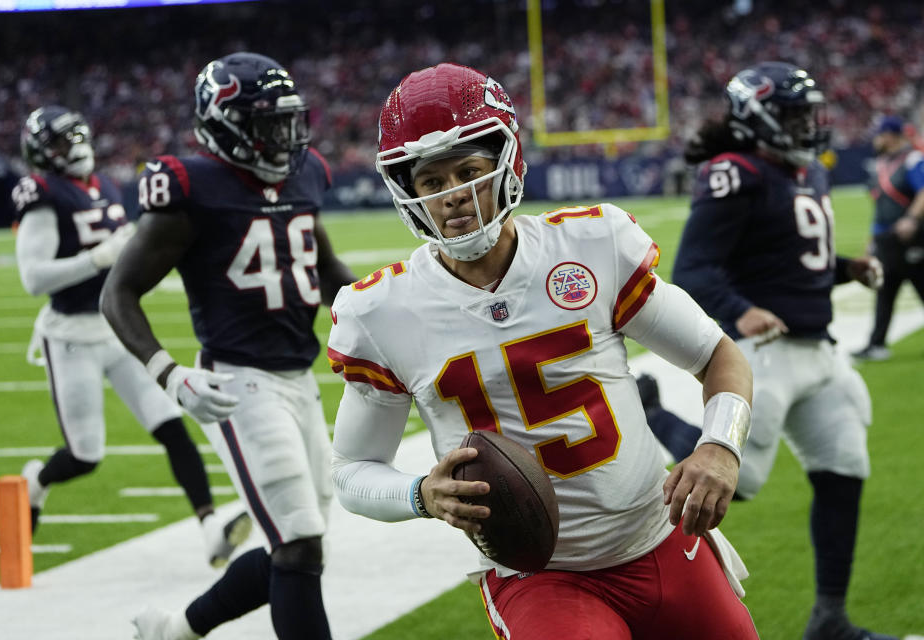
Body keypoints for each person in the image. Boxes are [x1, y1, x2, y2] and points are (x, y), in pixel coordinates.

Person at [326, 62, 758, 640]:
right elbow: (353, 470)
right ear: (409, 192)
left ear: (506, 163)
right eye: (432, 182)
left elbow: (716, 355)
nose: (454, 196)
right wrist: (419, 494)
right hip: (538, 575)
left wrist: (719, 448)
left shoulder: (591, 244)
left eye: (469, 171)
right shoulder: (381, 312)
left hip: (658, 536)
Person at [101, 53, 355, 640]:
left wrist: (392, 313)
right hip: (237, 384)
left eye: (290, 121)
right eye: (268, 124)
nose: (285, 138)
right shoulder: (192, 187)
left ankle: (175, 630)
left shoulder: (305, 172)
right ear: (225, 124)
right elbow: (119, 293)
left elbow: (323, 270)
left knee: (298, 544)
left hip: (299, 380)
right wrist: (168, 373)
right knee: (298, 544)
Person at [673, 62, 899, 640]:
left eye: (809, 112)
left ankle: (830, 619)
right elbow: (692, 269)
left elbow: (798, 265)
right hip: (765, 353)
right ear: (759, 115)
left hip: (819, 353)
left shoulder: (805, 172)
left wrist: (848, 269)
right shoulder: (734, 172)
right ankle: (654, 415)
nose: (808, 124)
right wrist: (740, 308)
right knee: (736, 483)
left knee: (847, 465)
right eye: (797, 113)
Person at [12, 105, 251, 569]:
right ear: (43, 152)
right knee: (85, 456)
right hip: (70, 335)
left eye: (79, 137)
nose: (77, 149)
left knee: (172, 425)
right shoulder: (43, 193)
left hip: (115, 327)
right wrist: (99, 259)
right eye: (64, 142)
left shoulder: (104, 186)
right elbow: (33, 278)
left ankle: (209, 530)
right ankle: (35, 483)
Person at [852, 115, 924, 361]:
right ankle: (876, 344)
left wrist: (912, 219)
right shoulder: (883, 163)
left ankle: (876, 343)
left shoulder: (912, 159)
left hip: (910, 239)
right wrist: (871, 240)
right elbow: (881, 206)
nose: (876, 139)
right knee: (884, 291)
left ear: (891, 135)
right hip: (885, 239)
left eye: (880, 134)